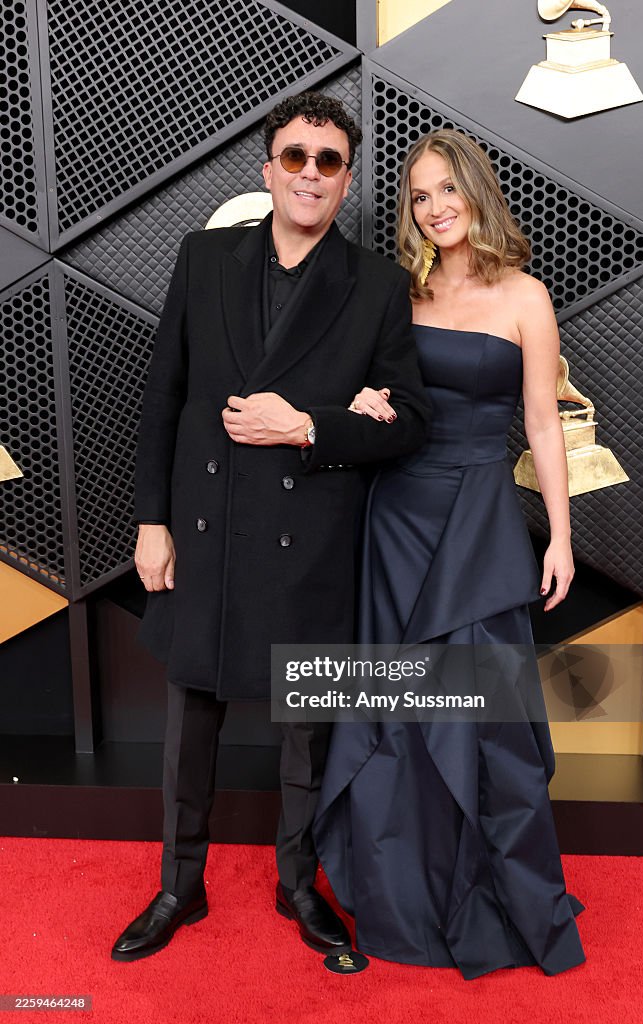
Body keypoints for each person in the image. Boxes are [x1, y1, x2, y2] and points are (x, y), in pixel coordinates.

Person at [111, 92, 430, 962]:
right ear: (268, 169)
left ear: (347, 179)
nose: (310, 175)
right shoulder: (204, 257)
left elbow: (409, 422)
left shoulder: (375, 285)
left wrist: (309, 426)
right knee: (190, 724)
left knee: (307, 734)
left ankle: (300, 888)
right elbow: (162, 399)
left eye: (328, 162)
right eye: (295, 157)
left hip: (309, 541)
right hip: (205, 531)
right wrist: (151, 521)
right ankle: (180, 885)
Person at [314, 130, 586, 978]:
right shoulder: (401, 293)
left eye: (445, 191)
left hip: (478, 522)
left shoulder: (524, 297)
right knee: (394, 712)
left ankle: (495, 896)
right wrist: (364, 400)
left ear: (475, 192)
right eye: (418, 196)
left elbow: (540, 422)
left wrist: (561, 538)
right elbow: (374, 398)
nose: (433, 209)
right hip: (395, 516)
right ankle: (401, 896)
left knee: (486, 719)